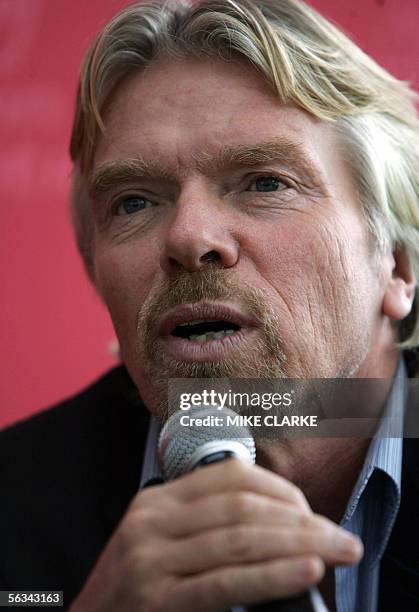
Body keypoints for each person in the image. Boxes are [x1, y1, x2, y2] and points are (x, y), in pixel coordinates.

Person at [1, 0, 419, 610]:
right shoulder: (13, 508)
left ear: (399, 265)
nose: (189, 237)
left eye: (265, 183)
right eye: (135, 202)